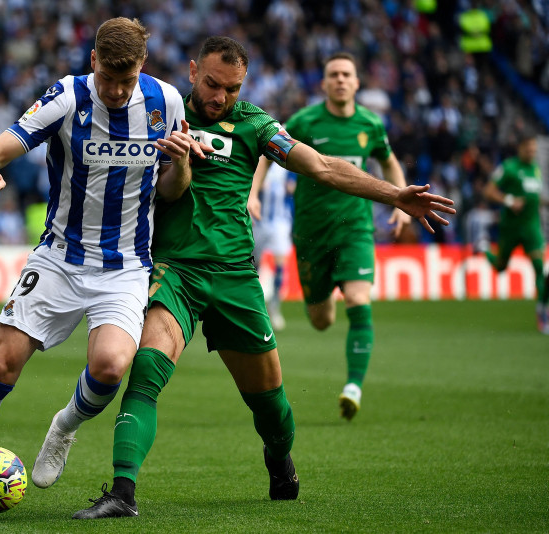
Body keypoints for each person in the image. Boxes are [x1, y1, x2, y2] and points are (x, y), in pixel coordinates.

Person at [72, 36, 455, 519]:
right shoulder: (159, 112)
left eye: (231, 89)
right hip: (175, 272)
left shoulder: (256, 124)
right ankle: (122, 493)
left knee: (270, 406)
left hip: (235, 277)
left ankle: (278, 456)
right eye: (211, 84)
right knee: (146, 369)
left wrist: (395, 195)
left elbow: (320, 166)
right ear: (192, 72)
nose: (219, 97)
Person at [0, 17, 207, 519]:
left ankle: (63, 426)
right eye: (107, 78)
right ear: (92, 61)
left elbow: (172, 191)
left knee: (111, 365)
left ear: (142, 68)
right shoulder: (66, 97)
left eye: (125, 80)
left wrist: (180, 164)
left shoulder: (167, 103)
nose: (115, 90)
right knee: (1, 363)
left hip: (126, 265)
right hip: (59, 259)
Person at [281, 51, 411, 421]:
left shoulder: (371, 124)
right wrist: (253, 193)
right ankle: (323, 299)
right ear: (323, 84)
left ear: (356, 83)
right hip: (310, 234)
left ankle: (353, 386)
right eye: (333, 74)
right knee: (321, 320)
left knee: (358, 299)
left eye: (346, 74)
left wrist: (400, 200)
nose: (340, 79)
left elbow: (388, 160)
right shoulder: (305, 120)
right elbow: (266, 153)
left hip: (356, 229)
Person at [481, 131, 549, 334]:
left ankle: (542, 311)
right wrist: (509, 201)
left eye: (534, 149)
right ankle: (484, 248)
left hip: (531, 227)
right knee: (501, 267)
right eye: (529, 148)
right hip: (510, 228)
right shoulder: (508, 168)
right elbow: (488, 191)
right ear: (520, 148)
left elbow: (533, 197)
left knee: (541, 270)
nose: (532, 152)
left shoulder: (535, 169)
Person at [249, 158, 296, 330]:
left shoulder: (288, 165)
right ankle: (253, 307)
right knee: (254, 266)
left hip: (281, 222)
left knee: (280, 265)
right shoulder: (259, 164)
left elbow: (293, 186)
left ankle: (274, 308)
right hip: (258, 221)